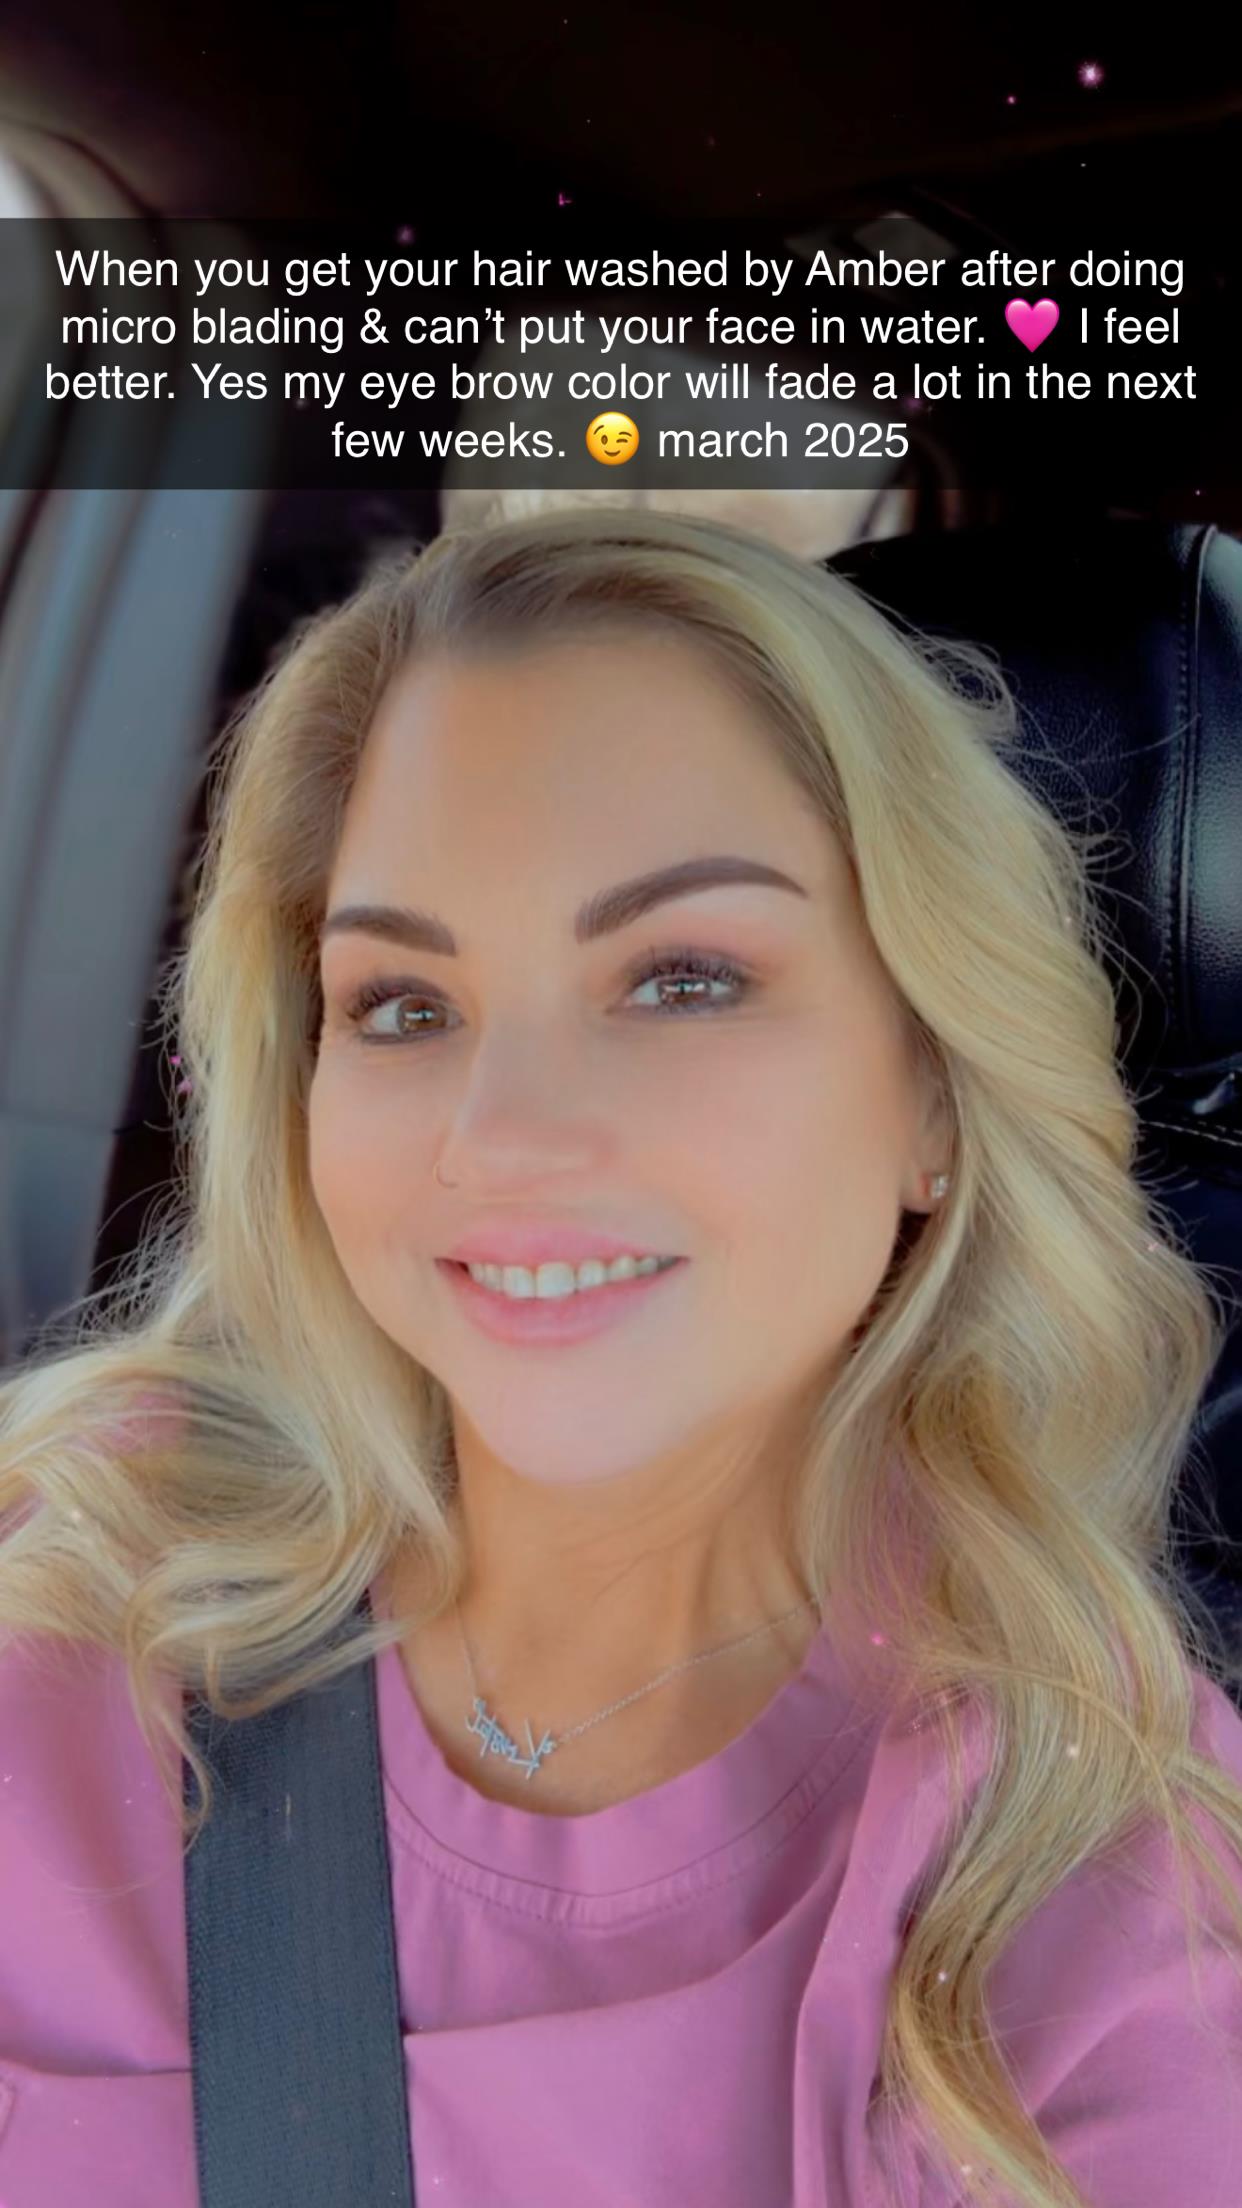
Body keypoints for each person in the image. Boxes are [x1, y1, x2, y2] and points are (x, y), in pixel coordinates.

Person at [1, 504, 1241, 2208]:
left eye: (680, 979)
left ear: (933, 1096)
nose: (500, 1138)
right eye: (402, 1005)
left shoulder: (1100, 1903)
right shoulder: (72, 1589)